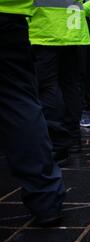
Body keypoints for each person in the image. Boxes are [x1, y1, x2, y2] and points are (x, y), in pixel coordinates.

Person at [0, 0, 65, 225]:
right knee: (20, 103)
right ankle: (46, 200)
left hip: (46, 32)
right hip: (11, 14)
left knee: (47, 89)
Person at [29, 0, 90, 157]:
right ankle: (73, 138)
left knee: (47, 87)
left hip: (46, 28)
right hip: (73, 27)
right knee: (71, 86)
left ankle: (56, 142)